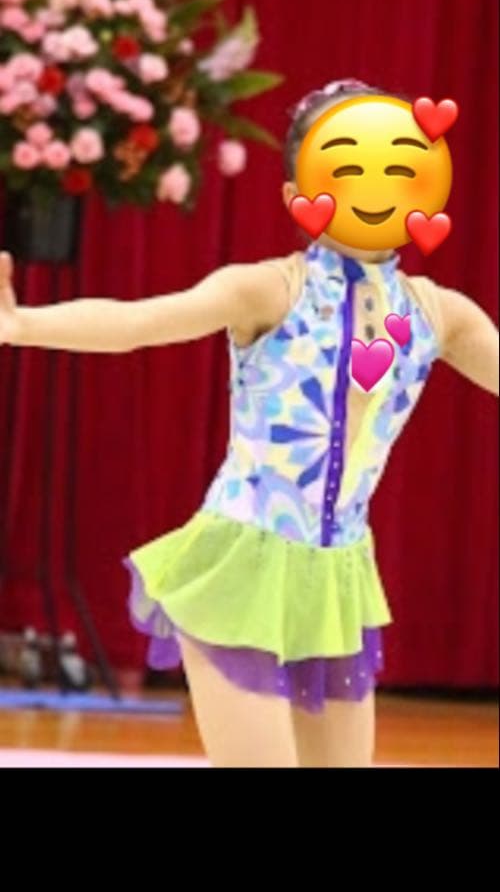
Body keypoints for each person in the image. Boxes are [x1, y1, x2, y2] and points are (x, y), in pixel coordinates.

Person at [2, 79, 498, 768]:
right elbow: (140, 322)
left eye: (397, 166)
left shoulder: (439, 314)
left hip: (337, 579)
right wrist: (19, 323)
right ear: (301, 193)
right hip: (243, 563)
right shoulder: (269, 288)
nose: (376, 186)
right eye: (350, 167)